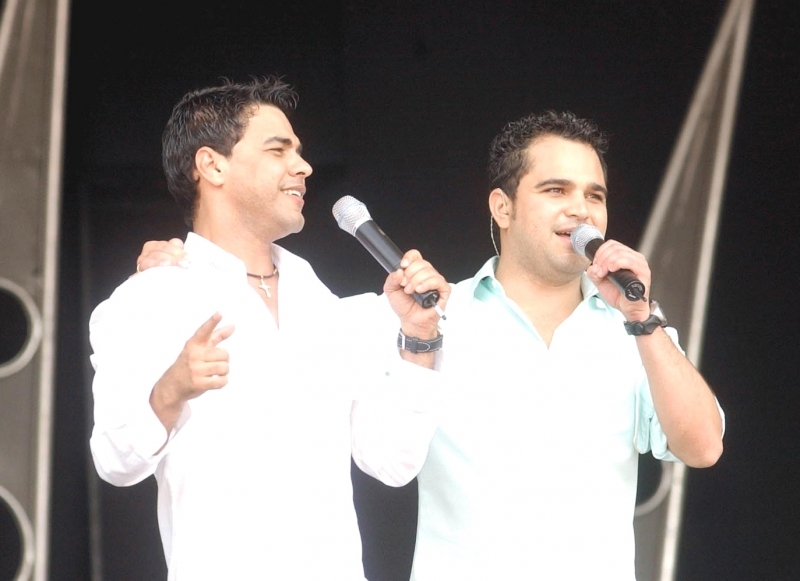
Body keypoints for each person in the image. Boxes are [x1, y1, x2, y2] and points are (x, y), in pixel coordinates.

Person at [136, 110, 725, 580]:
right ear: (502, 207)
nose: (581, 209)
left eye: (595, 195)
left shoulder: (635, 327)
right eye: (556, 189)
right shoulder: (427, 316)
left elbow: (702, 446)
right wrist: (185, 270)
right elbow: (281, 337)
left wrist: (643, 320)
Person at [88, 76, 449, 580]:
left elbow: (392, 462)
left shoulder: (324, 306)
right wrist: (171, 389)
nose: (303, 167)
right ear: (212, 165)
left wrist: (419, 340)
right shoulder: (150, 299)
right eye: (279, 150)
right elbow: (115, 461)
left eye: (298, 152)